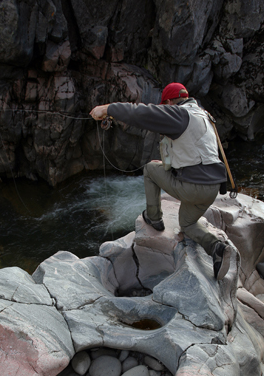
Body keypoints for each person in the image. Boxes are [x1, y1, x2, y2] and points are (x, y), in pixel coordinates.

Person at [90, 82, 232, 280]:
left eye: (164, 105)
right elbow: (197, 152)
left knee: (149, 169)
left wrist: (107, 109)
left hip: (192, 187)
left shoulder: (179, 115)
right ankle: (217, 248)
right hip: (212, 188)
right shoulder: (203, 115)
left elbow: (142, 113)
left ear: (169, 102)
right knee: (187, 223)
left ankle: (154, 218)